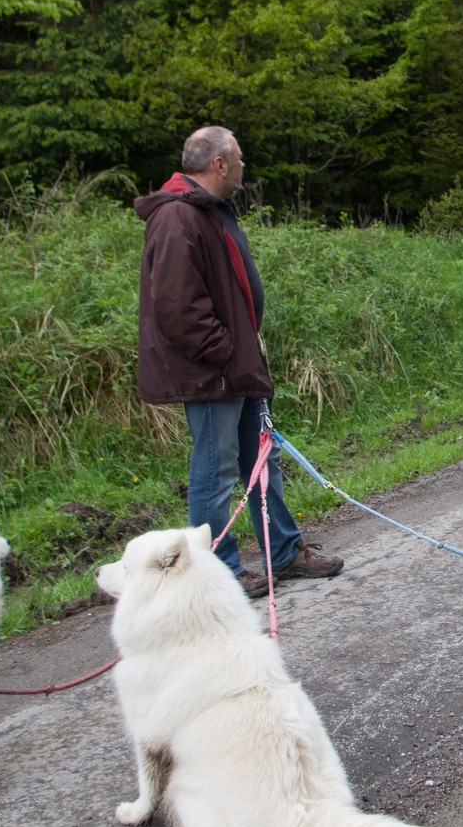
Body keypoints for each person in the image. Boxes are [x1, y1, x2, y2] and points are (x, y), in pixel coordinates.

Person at [133, 126, 344, 597]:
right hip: (212, 373)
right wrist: (225, 353)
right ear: (220, 164)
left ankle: (284, 552)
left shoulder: (207, 211)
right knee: (215, 471)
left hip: (236, 367)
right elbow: (177, 308)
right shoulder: (176, 218)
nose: (244, 166)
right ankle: (219, 574)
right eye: (240, 158)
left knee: (261, 460)